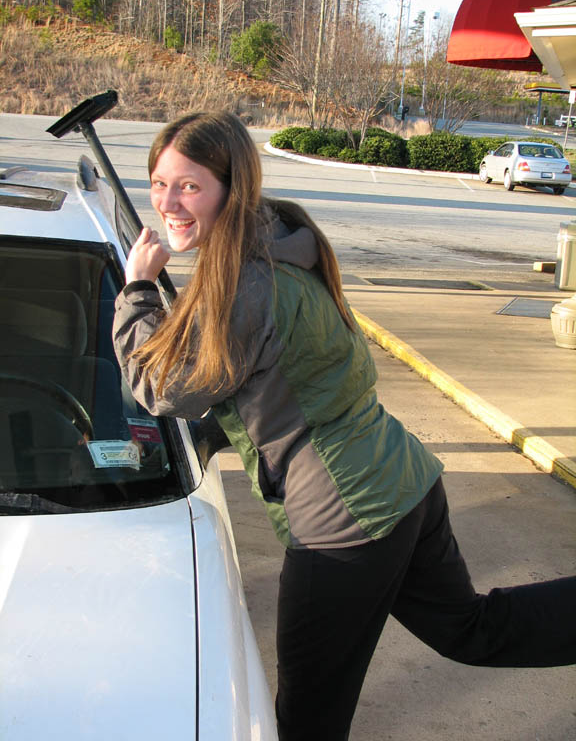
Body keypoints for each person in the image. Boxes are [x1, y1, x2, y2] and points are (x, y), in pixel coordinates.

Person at [113, 111, 576, 741]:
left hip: (343, 521)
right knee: (472, 629)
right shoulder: (281, 238)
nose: (168, 201)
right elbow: (283, 378)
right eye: (160, 182)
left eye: (189, 186)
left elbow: (162, 389)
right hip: (402, 482)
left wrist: (138, 291)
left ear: (230, 187)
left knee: (308, 720)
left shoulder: (246, 285)